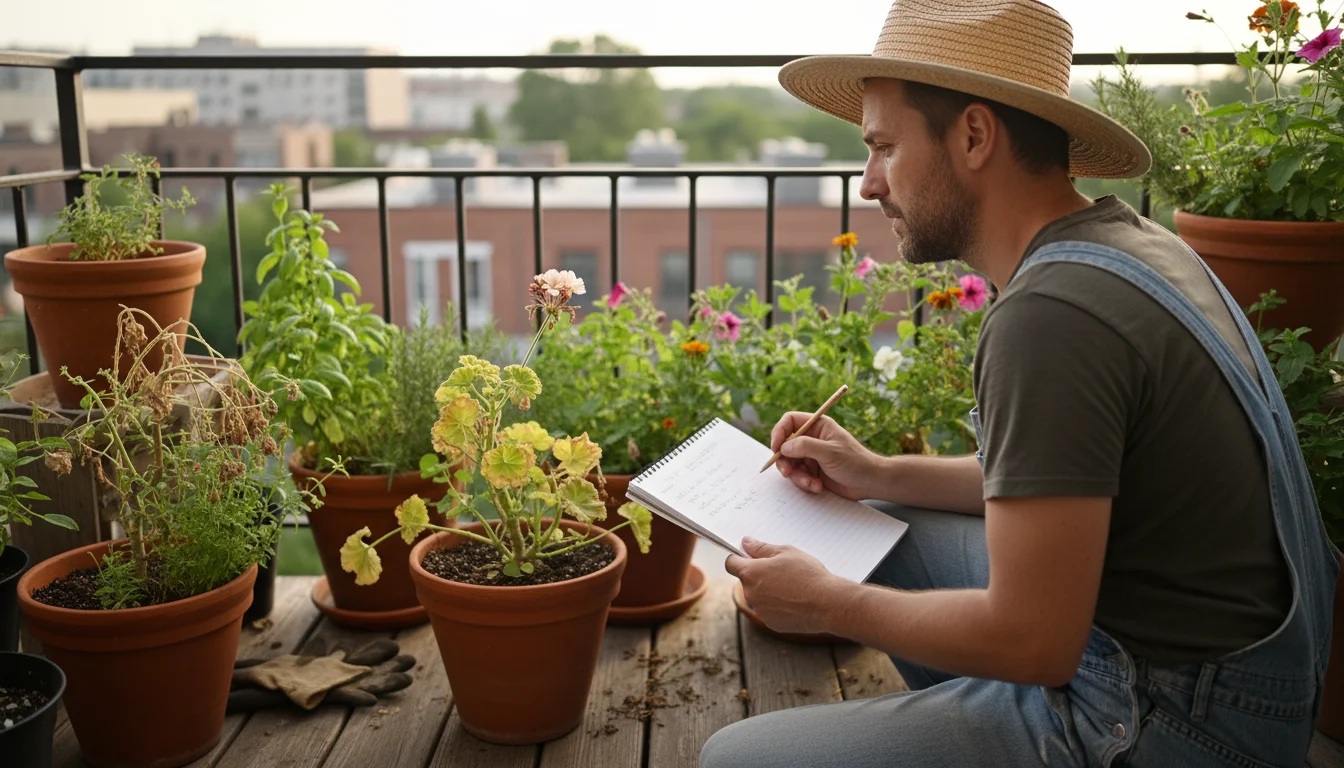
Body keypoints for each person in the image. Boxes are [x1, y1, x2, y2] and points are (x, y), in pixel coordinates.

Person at [699, 1, 1339, 766]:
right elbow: (1069, 482)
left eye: (883, 147)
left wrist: (830, 603)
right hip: (1238, 679)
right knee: (877, 518)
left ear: (974, 135)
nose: (868, 183)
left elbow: (1036, 642)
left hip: (1174, 722)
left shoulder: (1052, 315)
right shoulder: (1128, 244)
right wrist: (872, 471)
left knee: (732, 759)